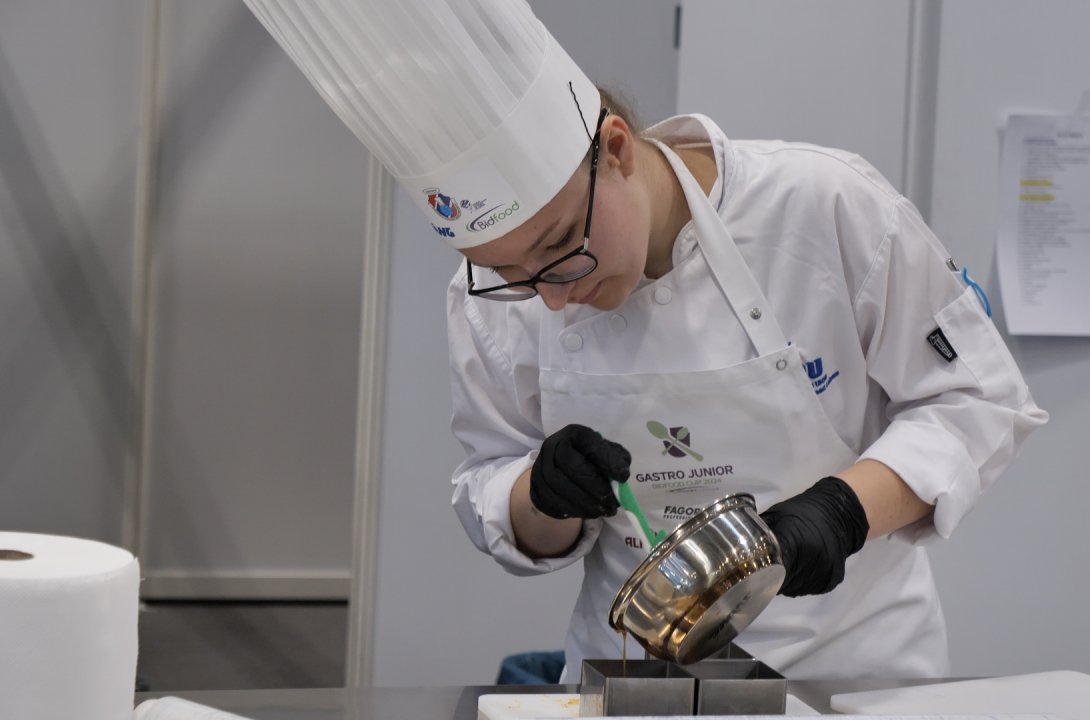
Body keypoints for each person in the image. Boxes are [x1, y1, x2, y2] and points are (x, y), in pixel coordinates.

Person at [242, 0, 1046, 683]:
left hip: (855, 671)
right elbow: (490, 487)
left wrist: (842, 511)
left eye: (561, 246)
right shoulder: (491, 299)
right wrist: (540, 494)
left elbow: (976, 401)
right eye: (510, 273)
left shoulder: (821, 206)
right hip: (633, 675)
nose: (551, 296)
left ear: (618, 149)